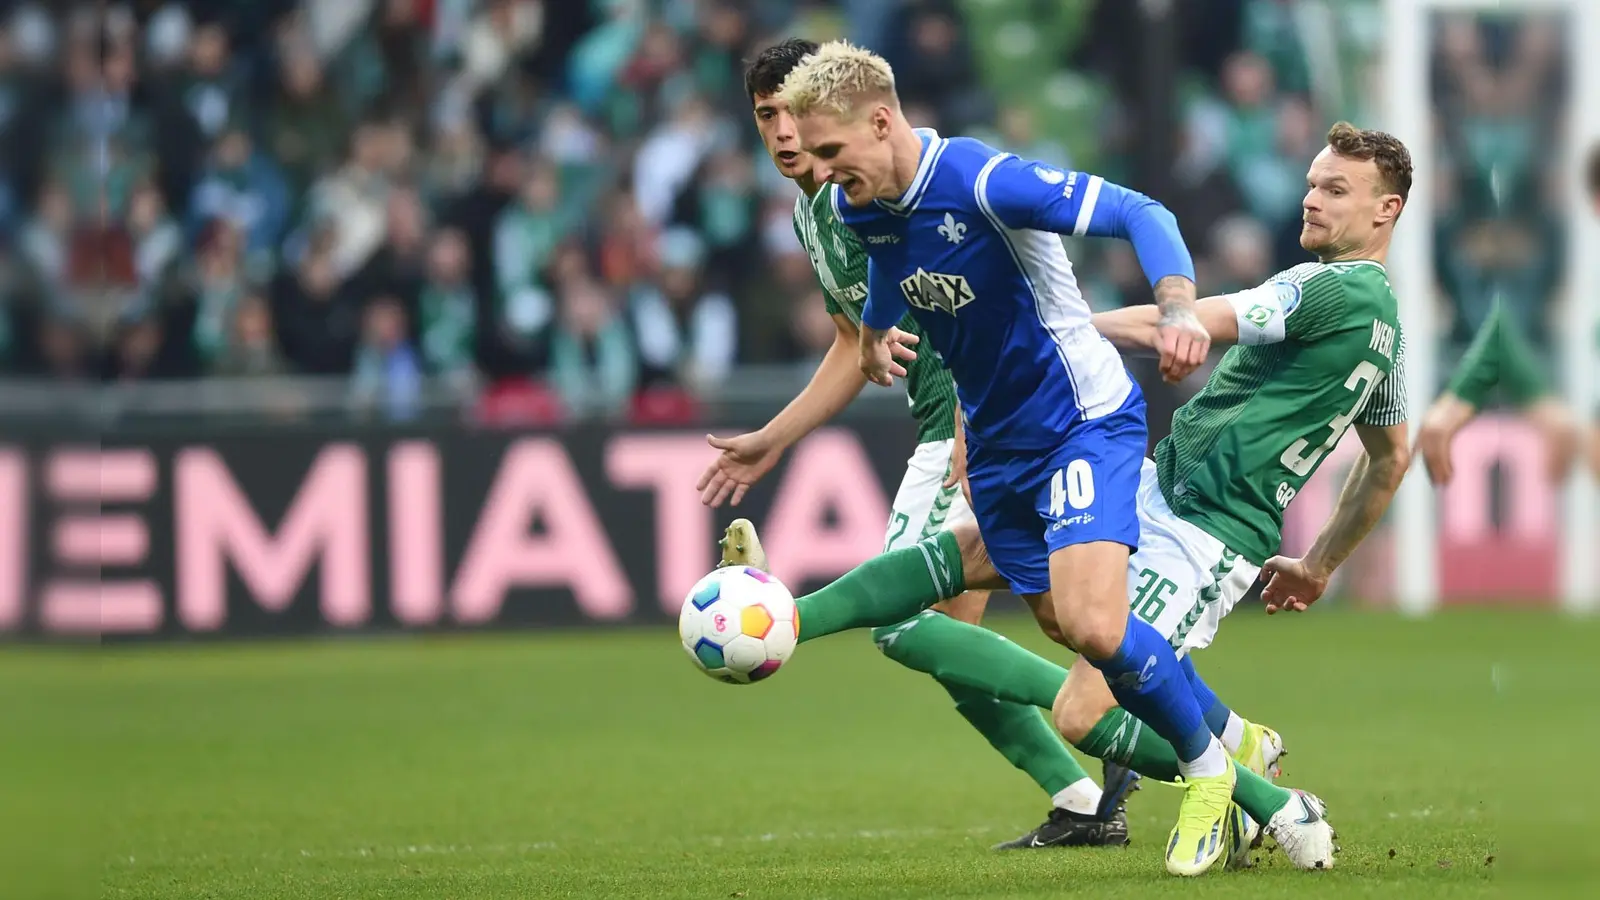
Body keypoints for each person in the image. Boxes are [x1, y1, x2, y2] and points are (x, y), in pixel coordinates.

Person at [779, 40, 1251, 877]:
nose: (816, 168)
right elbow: (892, 277)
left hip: (1082, 419)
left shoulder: (983, 181)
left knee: (1097, 626)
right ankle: (1244, 746)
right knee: (1066, 624)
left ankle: (1216, 777)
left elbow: (1144, 211)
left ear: (882, 122)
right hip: (997, 447)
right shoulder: (860, 208)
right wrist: (881, 334)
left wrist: (1178, 305)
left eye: (828, 150)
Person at [697, 39, 1134, 850]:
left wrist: (972, 421)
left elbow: (970, 292)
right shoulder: (815, 211)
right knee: (951, 644)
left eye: (800, 116)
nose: (787, 133)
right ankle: (1081, 795)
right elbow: (850, 345)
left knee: (908, 626)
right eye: (768, 117)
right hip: (953, 425)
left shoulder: (870, 189)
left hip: (972, 425)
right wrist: (774, 439)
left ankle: (1120, 732)